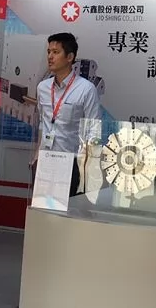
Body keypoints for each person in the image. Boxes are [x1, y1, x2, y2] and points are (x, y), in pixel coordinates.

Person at [31, 32, 101, 197]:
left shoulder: (86, 89)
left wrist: (87, 166)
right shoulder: (43, 87)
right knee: (44, 209)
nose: (50, 57)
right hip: (46, 161)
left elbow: (93, 129)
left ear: (70, 57)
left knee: (68, 210)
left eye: (56, 52)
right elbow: (43, 123)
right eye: (49, 52)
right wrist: (37, 155)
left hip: (72, 163)